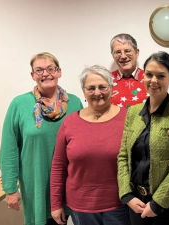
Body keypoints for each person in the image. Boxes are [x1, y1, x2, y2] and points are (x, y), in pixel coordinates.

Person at [0, 52, 83, 225]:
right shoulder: (19, 104)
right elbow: (9, 149)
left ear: (59, 72)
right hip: (35, 183)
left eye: (50, 68)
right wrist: (10, 189)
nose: (45, 73)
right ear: (32, 75)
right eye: (39, 70)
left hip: (70, 183)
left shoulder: (75, 102)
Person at [117, 51, 169, 225]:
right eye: (149, 74)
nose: (154, 80)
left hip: (168, 204)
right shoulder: (133, 113)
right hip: (136, 202)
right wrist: (127, 195)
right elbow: (123, 157)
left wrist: (158, 203)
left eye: (161, 76)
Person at [50, 65, 130, 225]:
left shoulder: (128, 119)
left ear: (111, 88)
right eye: (91, 88)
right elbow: (58, 166)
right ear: (84, 90)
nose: (97, 92)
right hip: (81, 206)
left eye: (102, 87)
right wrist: (56, 204)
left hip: (120, 204)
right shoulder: (70, 122)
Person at [110, 33, 148, 108]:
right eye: (118, 52)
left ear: (136, 53)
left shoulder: (149, 78)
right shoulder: (106, 80)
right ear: (112, 55)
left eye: (127, 51)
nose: (123, 56)